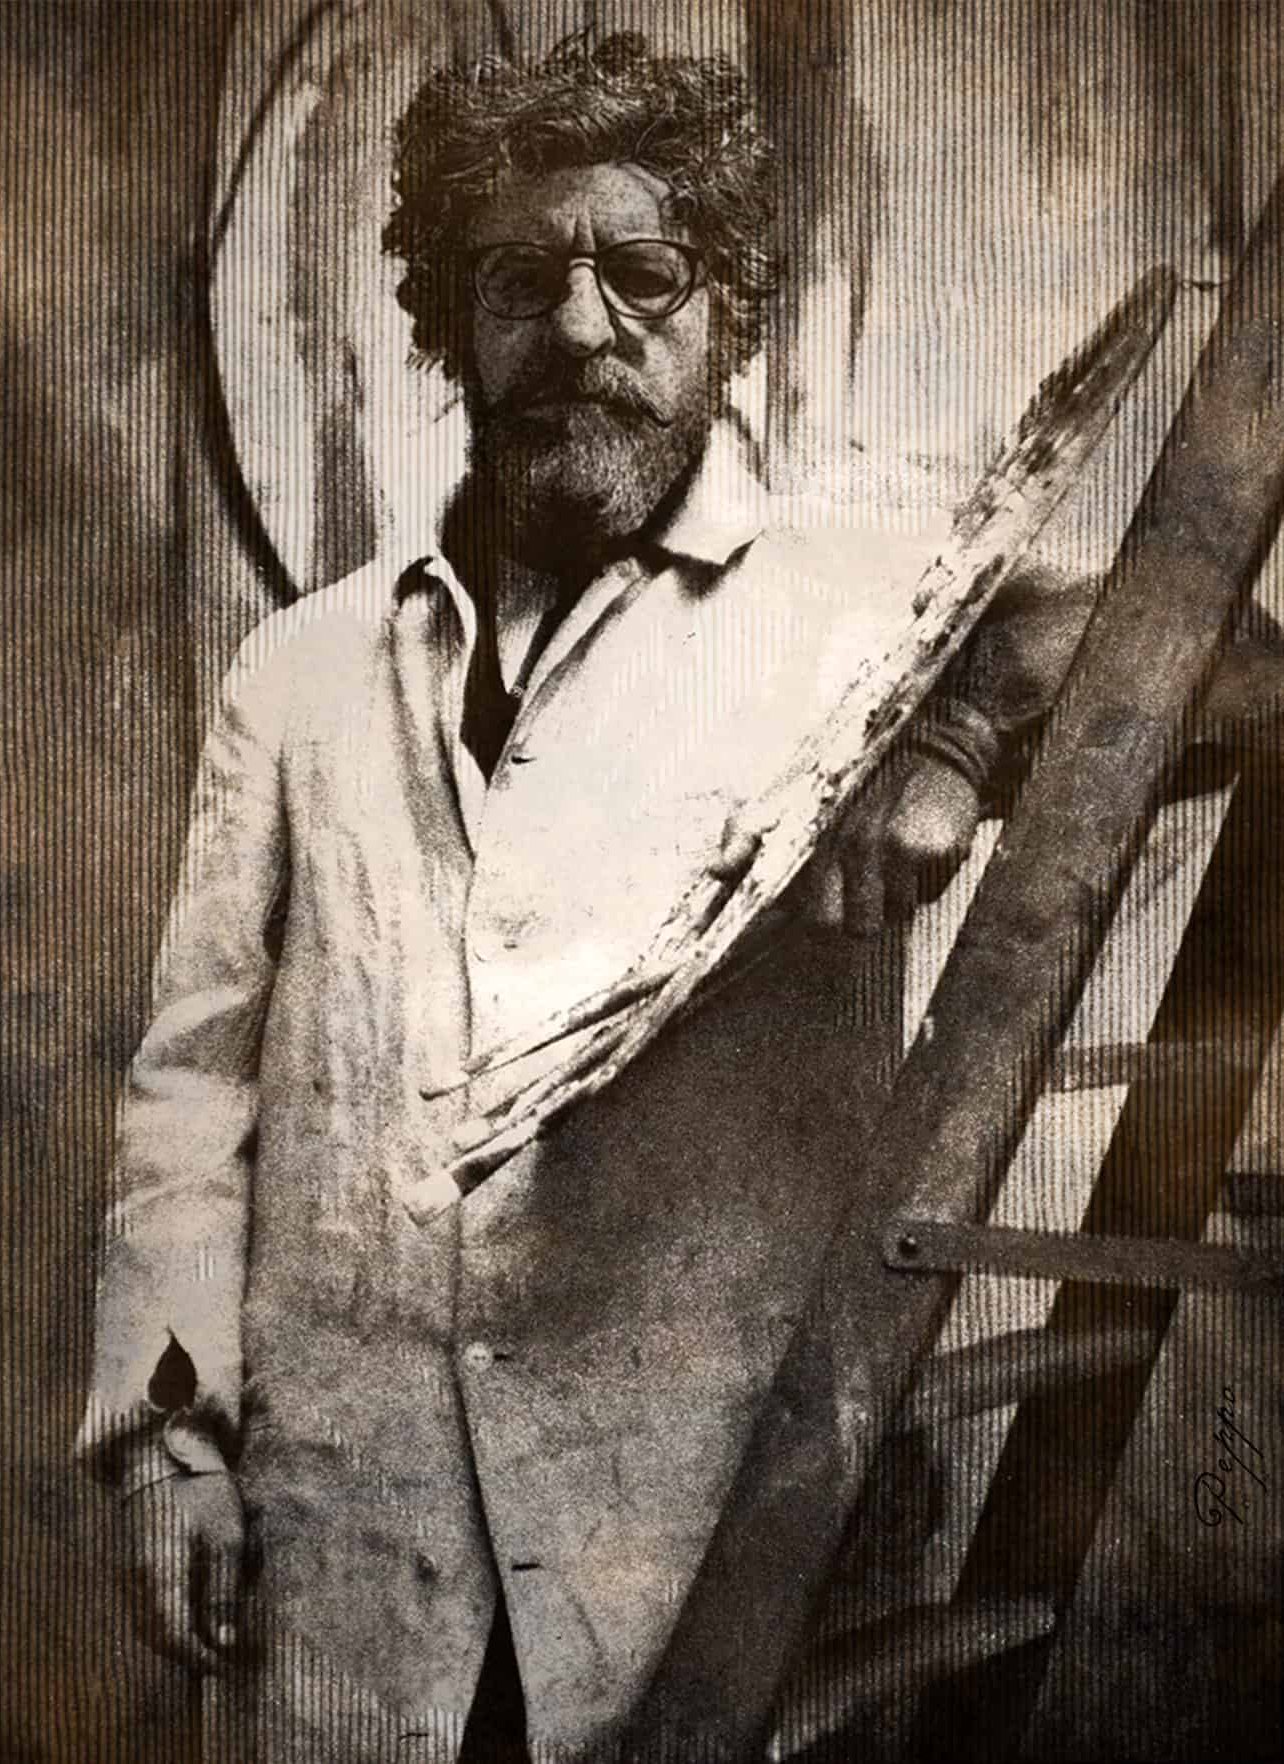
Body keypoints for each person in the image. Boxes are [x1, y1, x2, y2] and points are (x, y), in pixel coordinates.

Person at [79, 31, 1085, 1763]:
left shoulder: (865, 607)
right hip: (355, 1546)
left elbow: (1234, 663)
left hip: (705, 1551)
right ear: (451, 327)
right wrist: (173, 1445)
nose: (580, 328)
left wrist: (960, 741)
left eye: (643, 274)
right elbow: (194, 1089)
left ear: (726, 309)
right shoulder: (301, 670)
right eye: (519, 283)